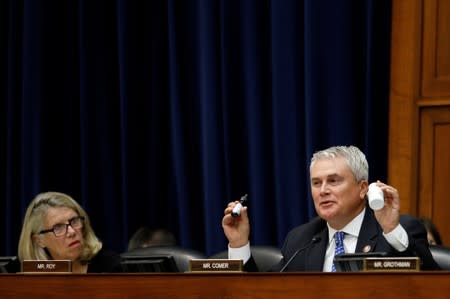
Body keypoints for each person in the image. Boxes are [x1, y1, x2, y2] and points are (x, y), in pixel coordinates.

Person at [222, 145, 440, 271]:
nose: (323, 190)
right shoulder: (302, 239)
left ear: (363, 187)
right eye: (316, 183)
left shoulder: (398, 230)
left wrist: (392, 230)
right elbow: (260, 293)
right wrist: (239, 244)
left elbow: (434, 285)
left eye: (333, 181)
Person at [10, 191, 122, 273]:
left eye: (74, 221)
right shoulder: (19, 271)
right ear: (39, 240)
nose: (72, 232)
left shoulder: (109, 266)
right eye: (58, 227)